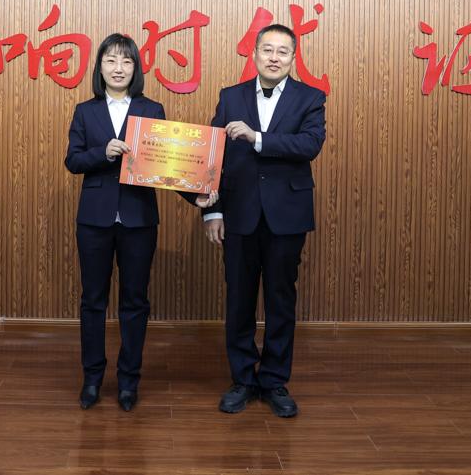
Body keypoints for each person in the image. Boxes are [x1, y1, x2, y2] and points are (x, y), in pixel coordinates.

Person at [65, 33, 216, 412]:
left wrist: (195, 196)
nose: (118, 68)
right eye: (111, 60)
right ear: (100, 67)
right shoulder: (85, 111)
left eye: (126, 61)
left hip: (139, 219)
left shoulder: (152, 110)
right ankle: (92, 378)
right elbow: (73, 161)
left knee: (135, 302)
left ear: (136, 68)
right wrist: (103, 153)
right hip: (94, 221)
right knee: (93, 301)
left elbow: (166, 166)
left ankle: (129, 380)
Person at [200, 23, 326, 418]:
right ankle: (242, 379)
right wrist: (212, 211)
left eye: (282, 51)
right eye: (267, 50)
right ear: (253, 54)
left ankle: (274, 381)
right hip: (239, 213)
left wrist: (256, 137)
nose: (274, 57)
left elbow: (309, 145)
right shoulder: (230, 96)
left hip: (286, 216)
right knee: (238, 298)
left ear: (293, 58)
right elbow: (212, 155)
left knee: (280, 299)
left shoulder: (310, 98)